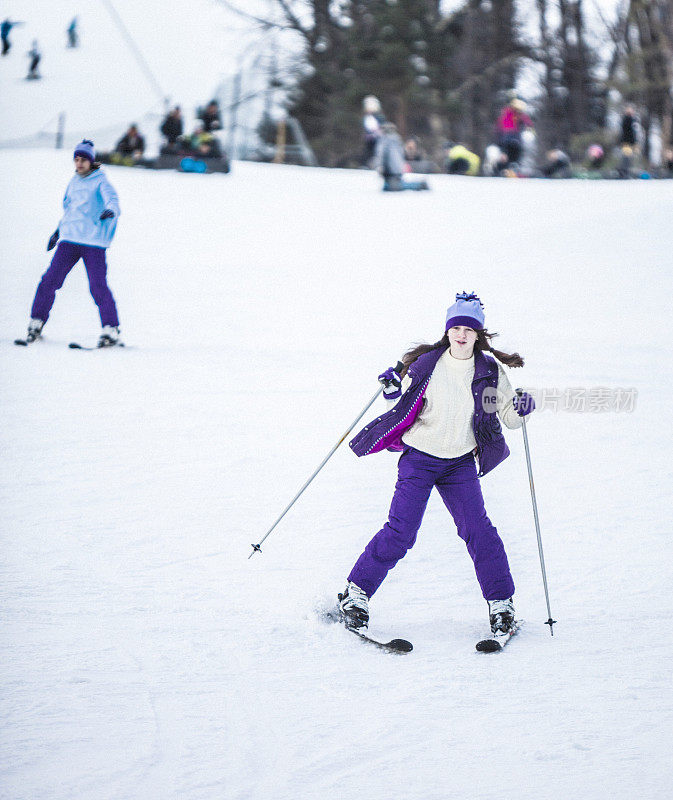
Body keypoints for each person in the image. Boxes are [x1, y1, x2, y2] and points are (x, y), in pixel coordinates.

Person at [339, 292, 535, 637]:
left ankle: (501, 605)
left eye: (468, 329)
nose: (461, 335)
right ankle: (356, 595)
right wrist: (389, 385)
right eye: (455, 327)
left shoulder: (490, 371)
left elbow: (508, 417)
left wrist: (520, 410)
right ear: (447, 331)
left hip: (459, 463)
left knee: (479, 530)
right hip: (419, 459)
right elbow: (398, 396)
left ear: (478, 334)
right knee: (401, 532)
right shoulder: (428, 363)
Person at [21, 140, 123, 347]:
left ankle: (111, 330)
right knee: (49, 281)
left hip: (93, 241)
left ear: (91, 161)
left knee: (97, 286)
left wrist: (111, 210)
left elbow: (113, 200)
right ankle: (36, 323)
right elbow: (71, 211)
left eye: (83, 159)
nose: (79, 163)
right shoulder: (74, 182)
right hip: (69, 240)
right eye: (76, 159)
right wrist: (58, 232)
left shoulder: (100, 181)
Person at [375, 123, 429, 191]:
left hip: (392, 174)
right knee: (389, 187)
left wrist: (382, 169)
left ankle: (419, 185)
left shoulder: (386, 142)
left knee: (395, 186)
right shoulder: (395, 141)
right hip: (395, 173)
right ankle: (419, 184)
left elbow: (383, 157)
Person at [495, 97, 533, 167]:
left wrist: (528, 126)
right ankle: (508, 164)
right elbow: (503, 127)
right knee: (508, 151)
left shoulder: (519, 115)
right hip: (507, 136)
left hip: (514, 136)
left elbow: (527, 121)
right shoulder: (508, 113)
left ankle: (514, 164)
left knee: (516, 150)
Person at [361, 95, 384, 167]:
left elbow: (382, 127)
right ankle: (368, 164)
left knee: (377, 152)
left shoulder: (379, 117)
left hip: (378, 139)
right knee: (368, 152)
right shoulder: (366, 118)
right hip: (369, 140)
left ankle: (377, 165)